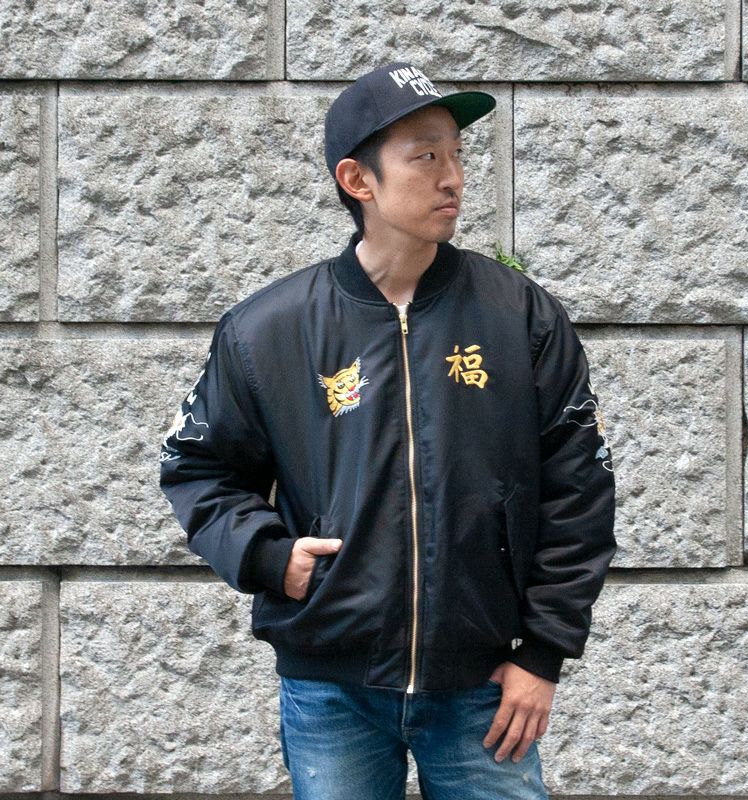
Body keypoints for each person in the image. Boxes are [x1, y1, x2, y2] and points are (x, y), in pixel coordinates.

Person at [159, 61, 616, 800]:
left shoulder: (519, 316)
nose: (452, 178)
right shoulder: (267, 330)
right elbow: (198, 465)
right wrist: (269, 556)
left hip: (484, 687)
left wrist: (543, 654)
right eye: (425, 156)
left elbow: (580, 488)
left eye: (457, 155)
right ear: (358, 179)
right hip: (331, 689)